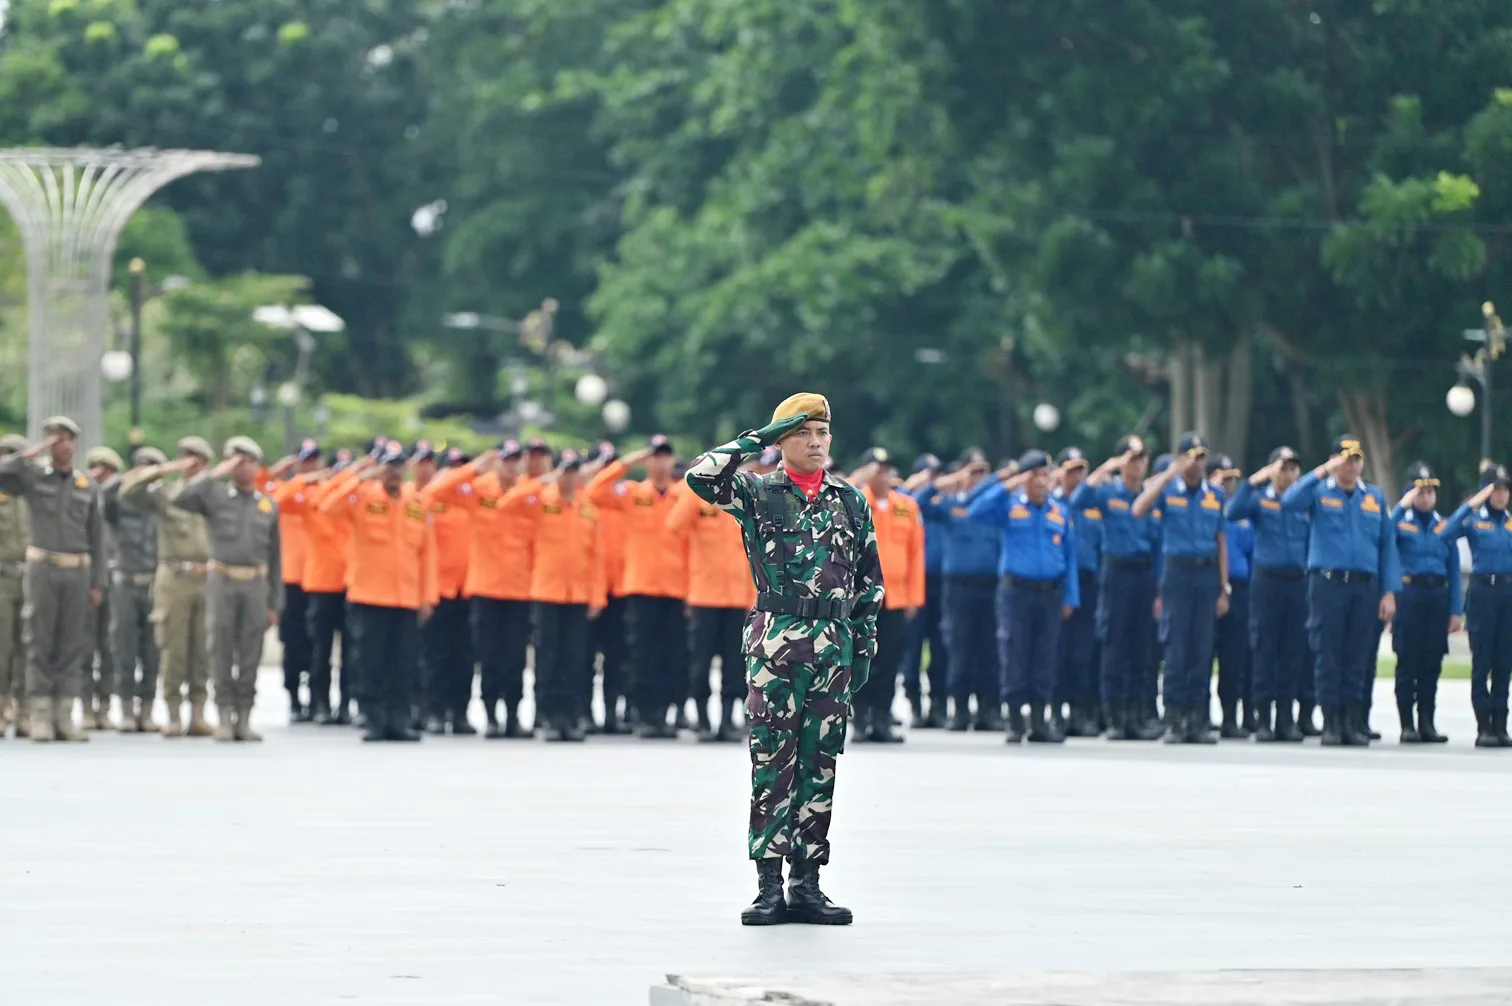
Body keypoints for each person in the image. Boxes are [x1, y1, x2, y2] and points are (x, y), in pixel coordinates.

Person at [686, 392, 881, 927]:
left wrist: (862, 646)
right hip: (777, 645)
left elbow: (869, 581)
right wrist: (758, 439)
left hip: (833, 646)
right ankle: (768, 884)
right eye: (803, 434)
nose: (816, 443)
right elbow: (700, 477)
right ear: (782, 441)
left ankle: (807, 882)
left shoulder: (850, 499)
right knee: (773, 761)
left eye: (822, 434)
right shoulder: (756, 492)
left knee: (820, 763)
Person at [1280, 435, 1398, 747]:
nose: (1352, 464)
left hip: (1364, 586)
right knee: (1328, 653)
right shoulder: (1319, 492)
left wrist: (1389, 592)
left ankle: (1351, 721)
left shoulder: (1373, 497)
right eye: (1345, 458)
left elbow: (1387, 547)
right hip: (1328, 584)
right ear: (1334, 461)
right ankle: (1331, 721)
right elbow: (1289, 501)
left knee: (1357, 655)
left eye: (1357, 458)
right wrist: (1322, 471)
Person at [319, 443, 436, 742]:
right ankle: (373, 719)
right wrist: (358, 476)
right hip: (369, 595)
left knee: (404, 661)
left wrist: (427, 596)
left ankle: (399, 720)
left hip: (406, 596)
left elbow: (427, 553)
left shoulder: (417, 503)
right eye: (388, 466)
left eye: (398, 466)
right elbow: (327, 505)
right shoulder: (361, 496)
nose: (394, 472)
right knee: (369, 661)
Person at [0, 417, 105, 742]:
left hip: (77, 571)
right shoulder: (33, 477)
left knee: (72, 643)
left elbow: (97, 537)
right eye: (57, 439)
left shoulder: (86, 484)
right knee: (40, 641)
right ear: (47, 443)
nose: (65, 445)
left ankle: (64, 714)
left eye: (69, 439)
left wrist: (98, 582)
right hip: (43, 568)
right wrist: (31, 454)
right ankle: (41, 714)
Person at [425, 439, 538, 738]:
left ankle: (513, 715)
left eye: (516, 459)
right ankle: (489, 714)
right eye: (505, 459)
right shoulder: (479, 489)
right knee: (488, 655)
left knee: (515, 657)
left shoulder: (531, 493)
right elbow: (436, 492)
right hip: (486, 587)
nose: (511, 465)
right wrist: (474, 468)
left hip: (519, 587)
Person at [172, 437, 282, 742]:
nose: (242, 466)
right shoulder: (216, 496)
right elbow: (180, 498)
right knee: (220, 647)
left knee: (250, 651)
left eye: (248, 460)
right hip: (222, 580)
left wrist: (275, 602)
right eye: (236, 460)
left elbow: (276, 556)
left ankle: (243, 717)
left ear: (257, 466)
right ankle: (222, 715)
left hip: (256, 584)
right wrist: (215, 474)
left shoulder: (267, 504)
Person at [967, 449, 1079, 742]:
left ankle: (1040, 722)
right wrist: (1008, 484)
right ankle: (1016, 721)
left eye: (1045, 475)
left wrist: (1071, 597)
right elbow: (974, 508)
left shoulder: (1059, 510)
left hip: (1050, 592)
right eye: (1035, 475)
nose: (1041, 481)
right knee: (1014, 652)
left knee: (1045, 655)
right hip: (1016, 591)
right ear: (1025, 479)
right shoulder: (1010, 506)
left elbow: (1070, 556)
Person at [586, 434, 690, 738]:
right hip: (641, 586)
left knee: (670, 654)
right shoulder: (632, 493)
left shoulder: (682, 495)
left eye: (665, 456)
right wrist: (627, 461)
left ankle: (662, 713)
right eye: (655, 456)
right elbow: (595, 490)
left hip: (674, 587)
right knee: (641, 653)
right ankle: (643, 713)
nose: (660, 462)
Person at [502, 449, 606, 741]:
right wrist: (545, 480)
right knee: (548, 658)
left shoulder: (587, 509)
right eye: (564, 471)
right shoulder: (540, 502)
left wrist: (597, 596)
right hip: (546, 592)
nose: (569, 478)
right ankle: (547, 716)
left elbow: (596, 557)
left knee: (575, 660)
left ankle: (571, 718)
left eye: (574, 472)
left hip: (578, 595)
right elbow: (508, 503)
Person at [119, 436, 217, 737]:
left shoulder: (215, 497)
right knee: (173, 647)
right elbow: (129, 491)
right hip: (173, 577)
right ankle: (173, 714)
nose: (191, 464)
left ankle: (198, 714)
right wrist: (164, 469)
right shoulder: (167, 495)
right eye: (186, 457)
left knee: (202, 649)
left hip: (207, 578)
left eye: (197, 459)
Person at [1135, 434, 1229, 743]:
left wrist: (1223, 587)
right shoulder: (1168, 490)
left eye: (1201, 456)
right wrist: (1167, 475)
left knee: (1202, 650)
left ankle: (1197, 719)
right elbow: (1139, 508)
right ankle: (1174, 719)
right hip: (1177, 574)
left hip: (1206, 575)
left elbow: (1220, 541)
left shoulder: (1214, 494)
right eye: (1191, 456)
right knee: (1177, 649)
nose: (1197, 462)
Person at [1072, 435, 1163, 740]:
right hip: (1116, 571)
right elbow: (1078, 500)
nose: (1137, 464)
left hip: (1144, 573)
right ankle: (1113, 716)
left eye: (1141, 458)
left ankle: (1135, 715)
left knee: (1140, 648)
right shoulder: (1108, 492)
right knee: (1114, 644)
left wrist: (1160, 589)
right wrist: (1106, 467)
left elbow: (1159, 544)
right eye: (1131, 458)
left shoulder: (1152, 497)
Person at [1227, 446, 1312, 742]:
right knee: (1265, 649)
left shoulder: (1303, 504)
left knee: (1292, 652)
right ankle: (1263, 718)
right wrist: (1255, 480)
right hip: (1267, 581)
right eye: (1283, 467)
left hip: (1297, 581)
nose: (1288, 473)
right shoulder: (1259, 500)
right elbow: (1232, 511)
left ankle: (1285, 719)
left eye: (1293, 468)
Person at [667, 458, 756, 741]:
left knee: (735, 662)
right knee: (700, 660)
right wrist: (695, 485)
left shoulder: (742, 500)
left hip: (737, 597)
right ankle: (704, 719)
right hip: (704, 595)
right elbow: (674, 524)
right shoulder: (698, 499)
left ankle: (729, 720)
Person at [918, 451, 1003, 731]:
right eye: (973, 471)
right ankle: (961, 710)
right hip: (958, 586)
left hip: (990, 584)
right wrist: (950, 481)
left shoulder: (994, 506)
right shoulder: (950, 504)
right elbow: (918, 503)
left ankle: (988, 710)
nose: (978, 477)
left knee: (989, 649)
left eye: (982, 471)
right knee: (960, 647)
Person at [850, 448, 923, 743]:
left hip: (896, 598)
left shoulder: (906, 506)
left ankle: (882, 717)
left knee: (890, 659)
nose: (883, 474)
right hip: (863, 596)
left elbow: (916, 555)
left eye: (887, 469)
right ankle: (860, 718)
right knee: (859, 657)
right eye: (877, 469)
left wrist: (914, 598)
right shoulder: (853, 501)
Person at [1437, 463, 1512, 747]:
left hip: (1508, 595)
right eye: (1496, 489)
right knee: (1483, 662)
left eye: (1506, 489)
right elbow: (1446, 533)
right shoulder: (1474, 520)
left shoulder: (1509, 522)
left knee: (1504, 663)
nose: (1502, 495)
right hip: (1483, 594)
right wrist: (1473, 504)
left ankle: (1501, 725)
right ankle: (1484, 726)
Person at [1388, 462, 1460, 744]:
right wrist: (1400, 506)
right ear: (1409, 492)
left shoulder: (1444, 525)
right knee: (1408, 661)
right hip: (1409, 597)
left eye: (1431, 491)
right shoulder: (1401, 521)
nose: (1427, 496)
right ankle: (1407, 724)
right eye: (1420, 490)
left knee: (1432, 663)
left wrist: (1455, 610)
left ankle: (1427, 722)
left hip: (1437, 598)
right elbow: (1384, 535)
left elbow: (1453, 569)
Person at [102, 445, 166, 733]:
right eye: (142, 465)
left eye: (153, 466)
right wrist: (126, 478)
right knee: (124, 648)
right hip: (126, 581)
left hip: (155, 583)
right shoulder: (120, 499)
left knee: (152, 652)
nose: (147, 470)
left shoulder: (163, 502)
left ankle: (147, 710)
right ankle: (126, 710)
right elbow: (102, 496)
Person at [416, 445, 475, 735]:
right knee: (435, 656)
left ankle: (460, 711)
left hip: (467, 590)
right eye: (453, 467)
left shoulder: (472, 499)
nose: (460, 474)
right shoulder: (430, 499)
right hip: (438, 590)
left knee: (463, 656)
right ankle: (434, 710)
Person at [299, 448, 354, 724]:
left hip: (350, 583)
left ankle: (345, 704)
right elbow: (289, 494)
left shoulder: (355, 499)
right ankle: (318, 702)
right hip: (321, 582)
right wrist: (328, 478)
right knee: (320, 648)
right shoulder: (315, 495)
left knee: (350, 650)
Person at [268, 440, 320, 721]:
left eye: (314, 460)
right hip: (290, 579)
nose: (311, 465)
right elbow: (265, 493)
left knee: (315, 643)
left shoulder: (324, 493)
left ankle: (315, 698)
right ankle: (294, 698)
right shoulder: (287, 491)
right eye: (305, 460)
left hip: (316, 579)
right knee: (293, 642)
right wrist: (287, 474)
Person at [1052, 447, 1102, 737]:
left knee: (1084, 651)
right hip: (1058, 584)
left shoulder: (1092, 505)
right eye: (1070, 470)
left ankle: (1079, 712)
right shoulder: (1053, 502)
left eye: (1080, 470)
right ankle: (1057, 712)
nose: (1076, 476)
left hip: (1088, 581)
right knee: (1060, 650)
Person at [582, 443, 631, 733]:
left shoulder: (624, 498)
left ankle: (613, 711)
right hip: (590, 590)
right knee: (586, 654)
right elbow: (596, 487)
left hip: (620, 587)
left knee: (618, 655)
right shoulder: (586, 499)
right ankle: (585, 711)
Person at [900, 453, 949, 728]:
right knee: (913, 648)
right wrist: (924, 484)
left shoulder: (941, 505)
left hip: (943, 583)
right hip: (915, 586)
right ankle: (916, 704)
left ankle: (938, 704)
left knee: (941, 648)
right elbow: (909, 498)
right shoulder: (908, 504)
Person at [1207, 454, 1253, 738]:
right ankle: (1197, 715)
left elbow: (1251, 553)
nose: (1229, 484)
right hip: (1206, 585)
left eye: (1232, 479)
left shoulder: (1242, 515)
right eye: (1223, 478)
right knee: (1201, 655)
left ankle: (1230, 718)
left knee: (1235, 657)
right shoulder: (1204, 507)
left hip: (1240, 589)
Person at [81, 446, 124, 728]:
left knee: (108, 647)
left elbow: (110, 496)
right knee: (85, 646)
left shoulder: (117, 499)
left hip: (112, 581)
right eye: (95, 469)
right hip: (86, 580)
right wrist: (88, 480)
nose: (100, 476)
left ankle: (105, 707)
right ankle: (86, 708)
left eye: (106, 471)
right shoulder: (81, 495)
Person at [0, 434, 28, 737]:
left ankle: (25, 711)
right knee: (2, 645)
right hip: (2, 577)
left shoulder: (36, 491)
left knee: (29, 647)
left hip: (31, 576)